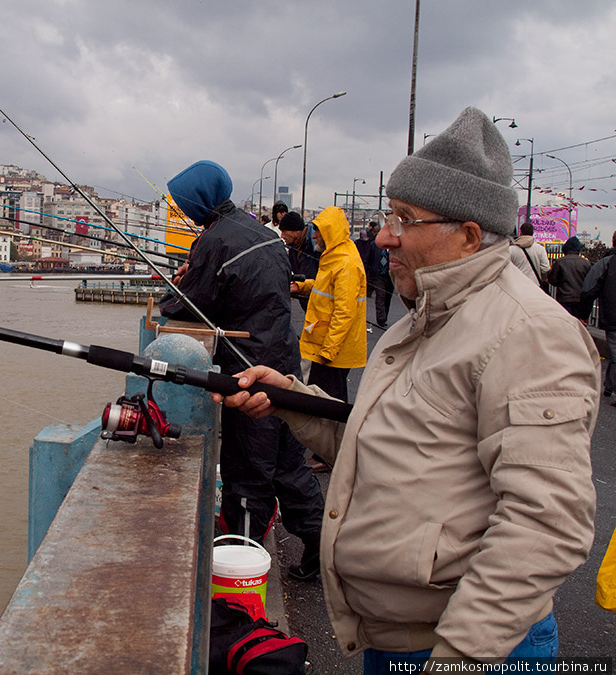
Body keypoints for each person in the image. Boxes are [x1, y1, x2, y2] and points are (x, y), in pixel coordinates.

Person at [215, 108, 599, 668]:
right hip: (397, 638)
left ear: (468, 236)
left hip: (470, 648)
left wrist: (459, 655)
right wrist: (292, 399)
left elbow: (547, 523)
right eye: (389, 215)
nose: (386, 236)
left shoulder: (531, 335)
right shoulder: (427, 318)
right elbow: (393, 447)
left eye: (405, 218)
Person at [160, 160, 324, 581]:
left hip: (247, 366)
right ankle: (321, 548)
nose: (182, 211)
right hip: (283, 363)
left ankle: (240, 567)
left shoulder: (213, 242)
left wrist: (175, 288)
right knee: (290, 464)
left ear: (199, 200)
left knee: (247, 467)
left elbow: (192, 307)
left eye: (183, 204)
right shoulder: (261, 232)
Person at [290, 206, 367, 403]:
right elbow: (325, 289)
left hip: (332, 351)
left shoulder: (345, 263)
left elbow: (345, 312)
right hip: (325, 345)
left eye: (318, 231)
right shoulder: (335, 256)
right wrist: (301, 286)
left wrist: (328, 351)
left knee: (327, 403)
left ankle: (335, 435)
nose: (314, 236)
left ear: (329, 233)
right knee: (324, 399)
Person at [581, 230, 616, 400]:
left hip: (612, 316)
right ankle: (610, 386)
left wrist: (583, 314)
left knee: (615, 353)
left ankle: (610, 386)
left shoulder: (606, 263)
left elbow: (588, 290)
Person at [278, 210, 321, 311]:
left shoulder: (317, 248)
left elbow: (323, 283)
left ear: (296, 231)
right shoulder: (293, 248)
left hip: (321, 308)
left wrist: (299, 287)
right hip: (309, 308)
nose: (282, 236)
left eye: (284, 231)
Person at [548, 236, 592, 320]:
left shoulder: (559, 262)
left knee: (566, 323)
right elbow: (589, 282)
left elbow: (552, 280)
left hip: (564, 298)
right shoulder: (586, 263)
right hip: (580, 298)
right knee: (578, 323)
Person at [364, 220, 394, 328]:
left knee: (387, 297)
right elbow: (368, 259)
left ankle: (385, 315)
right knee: (380, 296)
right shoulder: (374, 245)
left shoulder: (393, 246)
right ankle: (381, 318)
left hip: (390, 275)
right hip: (378, 275)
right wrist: (367, 273)